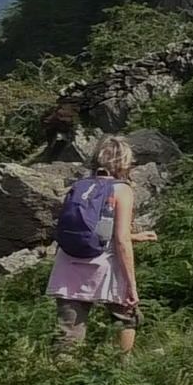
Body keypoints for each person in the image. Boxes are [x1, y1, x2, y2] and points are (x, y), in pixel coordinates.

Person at [45, 136, 156, 352]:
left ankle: (61, 370)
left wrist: (137, 237)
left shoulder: (78, 186)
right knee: (126, 317)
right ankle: (120, 366)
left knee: (69, 334)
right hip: (105, 266)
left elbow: (87, 228)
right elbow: (121, 240)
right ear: (124, 162)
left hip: (68, 265)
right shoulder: (122, 190)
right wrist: (131, 285)